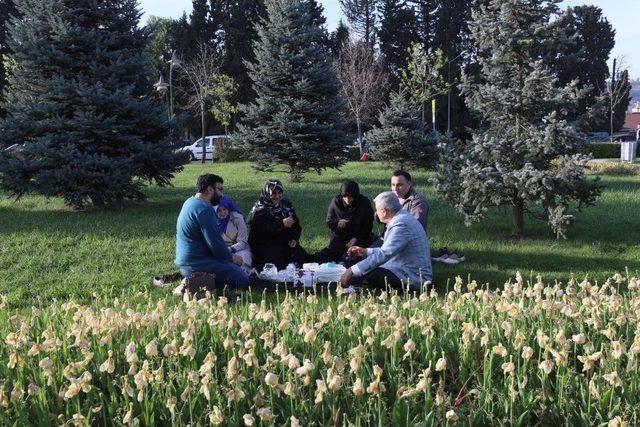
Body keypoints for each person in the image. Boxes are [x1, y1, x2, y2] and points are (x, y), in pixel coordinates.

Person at [340, 191, 432, 292]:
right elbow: (388, 249)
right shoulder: (402, 218)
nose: (376, 214)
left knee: (369, 272)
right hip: (405, 269)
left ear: (384, 211)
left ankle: (358, 287)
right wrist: (365, 251)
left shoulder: (401, 224)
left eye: (377, 210)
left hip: (415, 278)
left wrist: (351, 271)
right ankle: (359, 284)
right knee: (364, 265)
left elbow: (384, 254)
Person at [174, 173, 248, 289]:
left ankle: (197, 280)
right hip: (197, 264)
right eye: (220, 189)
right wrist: (232, 258)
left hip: (187, 262)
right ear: (209, 189)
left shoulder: (189, 202)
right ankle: (200, 281)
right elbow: (216, 245)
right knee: (242, 278)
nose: (222, 194)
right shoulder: (204, 209)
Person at [248, 179, 309, 270]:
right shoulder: (260, 209)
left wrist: (294, 239)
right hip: (266, 245)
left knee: (305, 262)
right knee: (278, 265)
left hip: (285, 243)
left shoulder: (285, 206)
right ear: (267, 193)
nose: (277, 196)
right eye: (273, 193)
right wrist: (281, 224)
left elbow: (296, 225)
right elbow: (260, 230)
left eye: (280, 193)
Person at [314, 180, 373, 263]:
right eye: (345, 197)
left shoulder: (364, 202)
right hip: (341, 236)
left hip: (360, 236)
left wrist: (356, 238)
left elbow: (368, 225)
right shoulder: (336, 202)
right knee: (327, 256)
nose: (347, 200)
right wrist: (338, 223)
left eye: (350, 197)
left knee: (356, 257)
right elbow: (329, 221)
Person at [215, 197, 252, 272]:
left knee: (245, 255)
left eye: (224, 209)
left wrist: (230, 249)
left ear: (228, 208)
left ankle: (245, 275)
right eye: (219, 211)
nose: (222, 213)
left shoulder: (237, 218)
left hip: (238, 249)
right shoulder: (211, 221)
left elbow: (242, 242)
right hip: (221, 251)